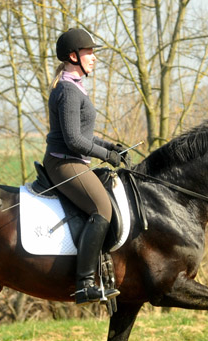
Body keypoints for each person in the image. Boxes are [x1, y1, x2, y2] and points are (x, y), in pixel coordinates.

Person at [43, 28, 124, 305]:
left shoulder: (74, 86)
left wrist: (109, 146)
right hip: (64, 164)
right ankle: (84, 283)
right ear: (73, 56)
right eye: (89, 52)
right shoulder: (67, 90)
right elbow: (74, 140)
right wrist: (105, 155)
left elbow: (83, 134)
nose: (94, 58)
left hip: (74, 159)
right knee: (103, 209)